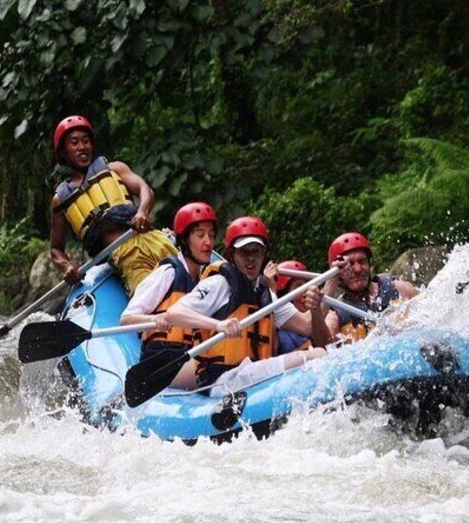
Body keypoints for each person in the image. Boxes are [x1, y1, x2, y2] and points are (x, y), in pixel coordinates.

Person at [165, 217, 328, 395]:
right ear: (231, 256)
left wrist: (327, 291)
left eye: (256, 252)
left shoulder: (265, 295)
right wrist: (217, 325)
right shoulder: (219, 284)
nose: (251, 259)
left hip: (251, 376)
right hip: (223, 381)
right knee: (317, 356)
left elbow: (307, 325)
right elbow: (173, 313)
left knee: (319, 354)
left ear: (263, 255)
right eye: (244, 252)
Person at [49, 115, 177, 295]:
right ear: (62, 151)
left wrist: (142, 212)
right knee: (153, 296)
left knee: (186, 276)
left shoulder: (114, 168)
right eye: (75, 143)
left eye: (86, 141)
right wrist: (66, 266)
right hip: (124, 255)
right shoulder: (60, 199)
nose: (82, 147)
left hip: (152, 239)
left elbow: (144, 189)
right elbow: (55, 249)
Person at [120, 202, 217, 388]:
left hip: (190, 355)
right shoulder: (168, 272)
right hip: (161, 362)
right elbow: (126, 319)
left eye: (211, 235)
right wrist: (156, 319)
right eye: (200, 235)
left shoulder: (207, 279)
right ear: (184, 240)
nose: (208, 242)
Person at [321, 232, 418, 342]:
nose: (358, 269)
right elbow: (323, 344)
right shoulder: (335, 317)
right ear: (338, 273)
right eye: (350, 264)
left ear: (369, 263)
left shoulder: (399, 289)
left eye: (362, 261)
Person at [265, 259, 315, 354]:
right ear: (285, 295)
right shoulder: (279, 333)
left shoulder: (324, 316)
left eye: (306, 285)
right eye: (298, 286)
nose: (305, 292)